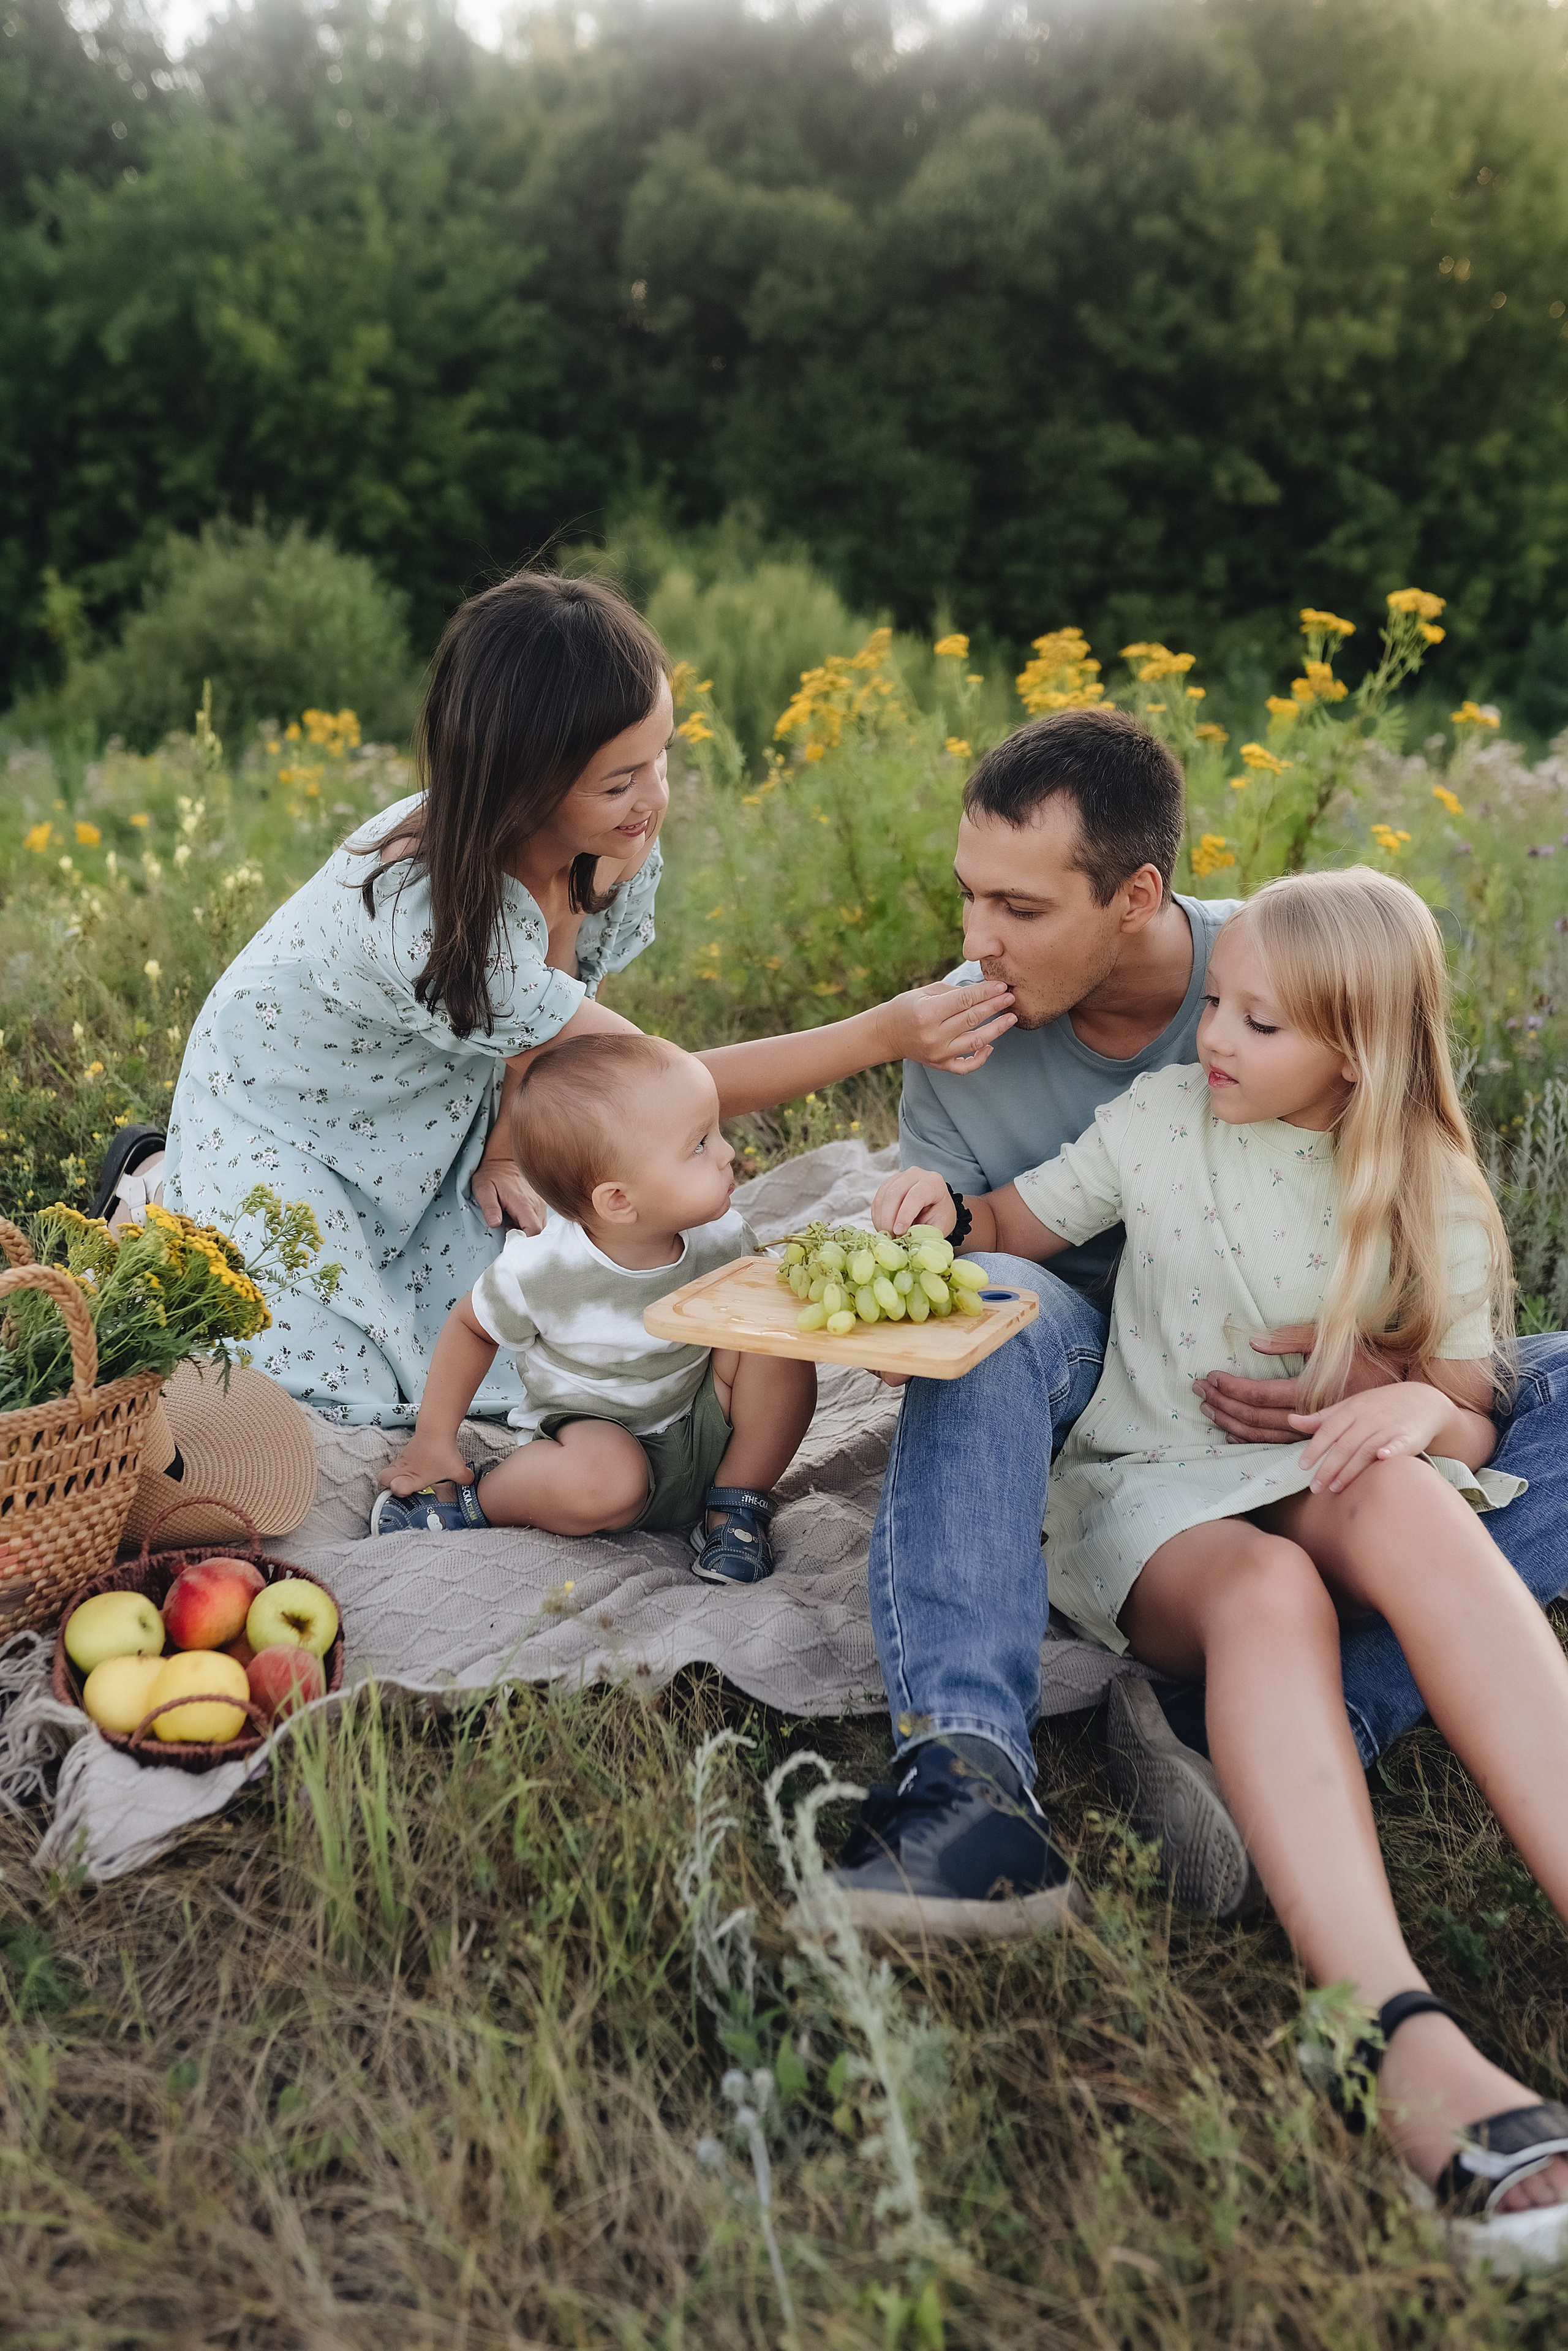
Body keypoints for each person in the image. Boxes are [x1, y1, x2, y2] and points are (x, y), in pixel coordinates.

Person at [871, 869, 1568, 2257]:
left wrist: (1411, 1408)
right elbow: (1011, 1227)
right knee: (1268, 1592)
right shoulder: (1158, 1119)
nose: (1213, 1040)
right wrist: (934, 1209)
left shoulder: (1416, 1172)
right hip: (1154, 1486)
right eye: (1217, 1006)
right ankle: (1387, 2033)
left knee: (1412, 1505)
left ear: (1355, 1053)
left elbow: (1465, 1399)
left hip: (1325, 1465)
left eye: (1256, 1023)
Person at [821, 703, 1568, 1930]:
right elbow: (990, 1232)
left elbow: (1426, 1271)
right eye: (968, 897)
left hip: (1303, 1368)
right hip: (1097, 1364)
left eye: (1018, 909)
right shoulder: (969, 1037)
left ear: (1134, 896)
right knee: (999, 1309)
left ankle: (1302, 1711)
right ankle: (966, 1770)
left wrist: (1389, 1377)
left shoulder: (1278, 960)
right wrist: (935, 1218)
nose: (973, 944)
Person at [163, 570, 1013, 1423]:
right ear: (524, 787)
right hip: (289, 1118)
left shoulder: (606, 842)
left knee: (542, 1293)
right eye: (619, 781)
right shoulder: (432, 910)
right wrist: (887, 1031)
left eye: (663, 755)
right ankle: (160, 1183)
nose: (654, 797)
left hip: (433, 1097)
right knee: (308, 1374)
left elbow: (560, 1024)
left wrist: (503, 1148)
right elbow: (648, 1085)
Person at [368, 1034, 815, 1580]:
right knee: (606, 1479)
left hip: (701, 1428)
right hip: (592, 1436)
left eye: (716, 1132)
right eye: (700, 1144)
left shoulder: (720, 1236)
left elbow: (750, 1319)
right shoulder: (542, 1269)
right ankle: (482, 1501)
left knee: (778, 1344)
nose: (727, 1153)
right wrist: (434, 1439)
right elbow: (471, 1327)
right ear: (618, 1201)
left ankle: (734, 1509)